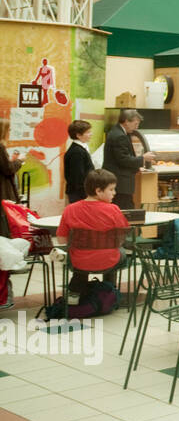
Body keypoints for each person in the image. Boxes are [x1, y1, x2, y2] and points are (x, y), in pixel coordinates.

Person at [56, 169, 130, 303]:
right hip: (109, 261)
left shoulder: (70, 209)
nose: (114, 193)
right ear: (98, 191)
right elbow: (121, 237)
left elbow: (62, 239)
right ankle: (109, 290)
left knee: (80, 254)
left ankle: (75, 291)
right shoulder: (113, 209)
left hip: (78, 262)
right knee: (120, 252)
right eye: (111, 189)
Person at [102, 109, 156, 209]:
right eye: (135, 123)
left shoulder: (118, 132)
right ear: (126, 121)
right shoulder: (119, 136)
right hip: (120, 182)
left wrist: (137, 166)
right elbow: (123, 159)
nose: (137, 127)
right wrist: (143, 158)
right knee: (124, 209)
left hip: (118, 181)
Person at [64, 120, 94, 204]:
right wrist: (85, 194)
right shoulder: (77, 152)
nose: (91, 134)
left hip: (81, 192)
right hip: (78, 193)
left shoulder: (81, 148)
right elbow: (78, 176)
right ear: (78, 135)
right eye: (87, 132)